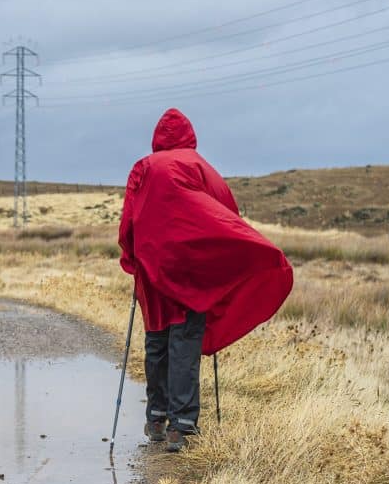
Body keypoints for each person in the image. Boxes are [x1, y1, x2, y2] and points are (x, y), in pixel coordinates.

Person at [118, 108, 294, 452]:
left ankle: (155, 417)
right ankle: (181, 427)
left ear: (157, 138)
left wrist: (133, 258)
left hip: (152, 274)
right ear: (189, 135)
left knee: (157, 340)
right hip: (191, 272)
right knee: (184, 341)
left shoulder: (143, 168)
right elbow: (225, 213)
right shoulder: (200, 167)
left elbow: (128, 223)